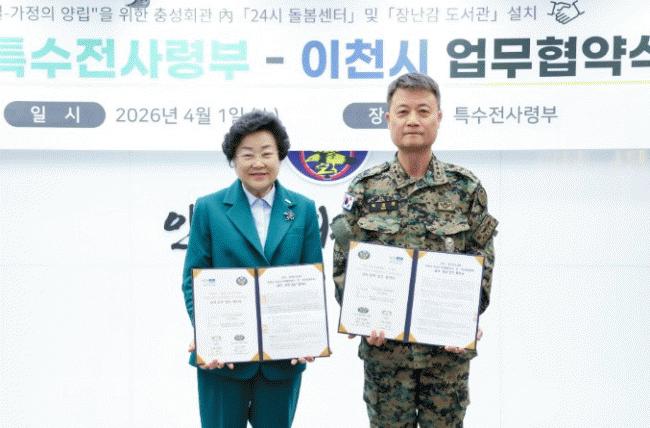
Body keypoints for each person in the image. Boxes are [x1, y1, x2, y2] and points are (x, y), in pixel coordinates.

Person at [330, 72, 498, 428]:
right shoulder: (365, 189)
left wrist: (468, 317)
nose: (413, 120)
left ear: (439, 118)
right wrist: (360, 316)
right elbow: (345, 262)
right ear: (388, 119)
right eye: (403, 111)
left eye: (423, 111)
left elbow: (482, 260)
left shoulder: (465, 188)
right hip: (386, 354)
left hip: (446, 355)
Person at [182, 110, 323, 428]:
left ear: (280, 157)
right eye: (247, 154)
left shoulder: (303, 209)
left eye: (266, 153)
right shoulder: (209, 207)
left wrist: (307, 336)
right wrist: (208, 333)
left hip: (282, 359)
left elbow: (312, 278)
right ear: (233, 160)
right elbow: (193, 279)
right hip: (223, 360)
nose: (258, 163)